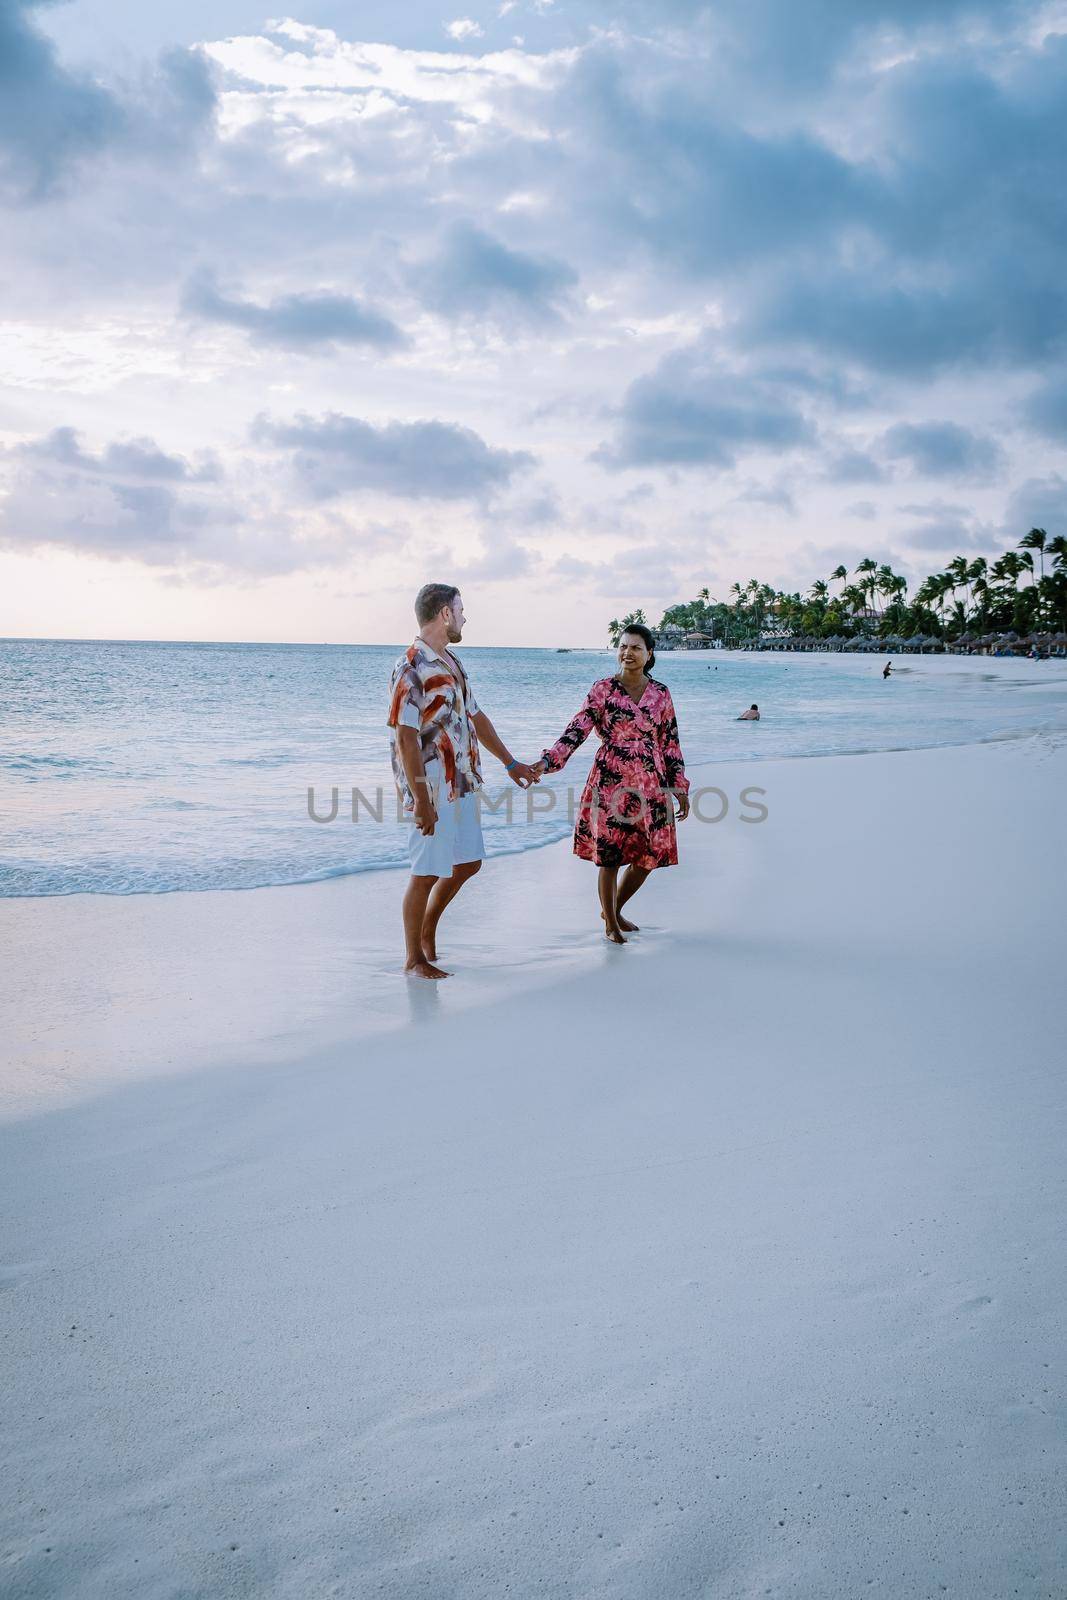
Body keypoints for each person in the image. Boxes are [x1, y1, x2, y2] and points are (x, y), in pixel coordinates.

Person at [387, 584, 539, 979]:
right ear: (444, 614)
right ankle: (413, 959)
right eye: (460, 610)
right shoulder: (411, 666)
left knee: (468, 862)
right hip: (433, 784)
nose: (465, 617)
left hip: (465, 780)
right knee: (426, 870)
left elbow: (477, 718)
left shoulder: (452, 663)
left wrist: (511, 763)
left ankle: (428, 930)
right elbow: (405, 736)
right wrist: (420, 798)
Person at [529, 625, 689, 944]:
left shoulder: (661, 693)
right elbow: (578, 728)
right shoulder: (603, 689)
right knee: (611, 854)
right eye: (623, 646)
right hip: (610, 780)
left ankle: (612, 909)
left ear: (649, 654)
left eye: (635, 647)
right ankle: (611, 924)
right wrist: (548, 761)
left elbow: (670, 742)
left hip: (651, 782)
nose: (627, 652)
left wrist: (679, 786)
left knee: (649, 855)